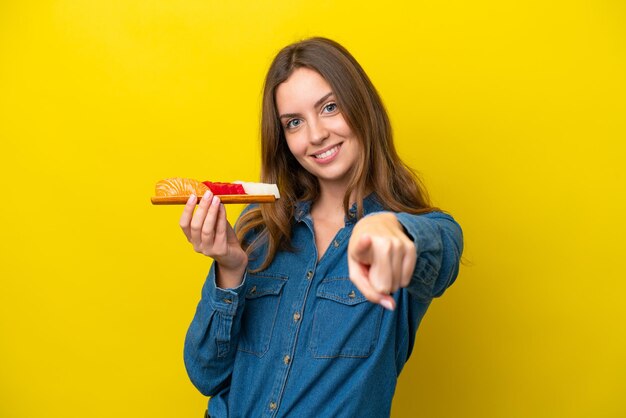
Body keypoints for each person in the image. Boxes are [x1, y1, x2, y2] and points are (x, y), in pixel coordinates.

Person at [180, 37, 463, 418]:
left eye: (329, 108)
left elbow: (441, 250)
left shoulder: (420, 229)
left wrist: (389, 227)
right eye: (294, 123)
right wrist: (230, 270)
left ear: (360, 106)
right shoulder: (259, 228)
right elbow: (206, 375)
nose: (315, 135)